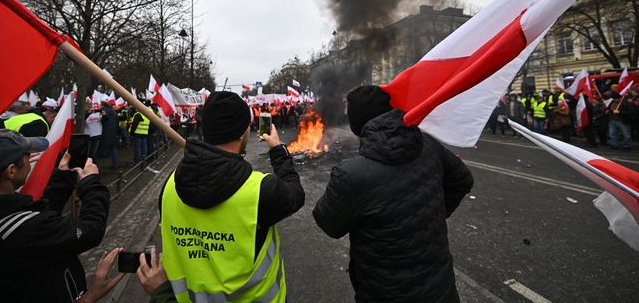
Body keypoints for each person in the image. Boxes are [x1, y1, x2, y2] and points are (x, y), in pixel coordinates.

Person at [313, 85, 474, 302]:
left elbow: (328, 223)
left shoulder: (352, 173)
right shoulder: (427, 144)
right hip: (441, 289)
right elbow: (463, 179)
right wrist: (431, 215)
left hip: (385, 292)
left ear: (357, 122)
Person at [159, 91, 304, 302]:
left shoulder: (169, 186)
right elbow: (296, 194)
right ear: (243, 132)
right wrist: (278, 150)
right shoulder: (260, 190)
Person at [0, 129, 119, 302]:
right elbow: (90, 230)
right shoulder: (20, 229)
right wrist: (91, 183)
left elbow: (37, 218)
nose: (31, 157)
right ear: (11, 171)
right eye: (26, 155)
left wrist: (63, 177)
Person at [99, 100, 120, 169]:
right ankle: (116, 163)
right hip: (114, 131)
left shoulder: (104, 111)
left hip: (107, 132)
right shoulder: (113, 110)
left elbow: (103, 120)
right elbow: (117, 120)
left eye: (100, 104)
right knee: (113, 148)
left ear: (103, 105)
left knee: (106, 148)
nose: (99, 106)